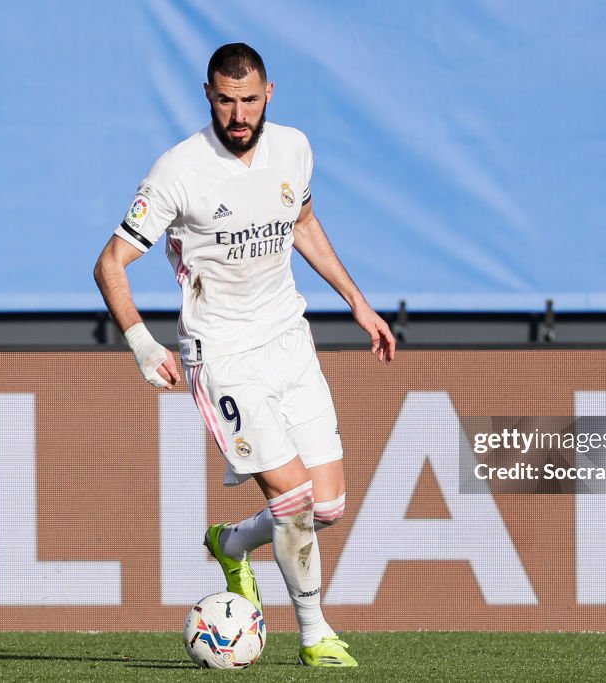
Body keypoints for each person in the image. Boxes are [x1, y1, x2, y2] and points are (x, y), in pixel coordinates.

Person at [93, 42, 395, 668]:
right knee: (293, 501)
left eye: (249, 100)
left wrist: (358, 304)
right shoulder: (178, 171)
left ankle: (231, 545)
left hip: (289, 339)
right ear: (209, 96)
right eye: (226, 101)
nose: (238, 114)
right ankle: (315, 636)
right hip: (223, 353)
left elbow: (303, 223)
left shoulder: (294, 148)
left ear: (269, 95)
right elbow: (110, 263)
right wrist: (142, 344)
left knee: (328, 506)